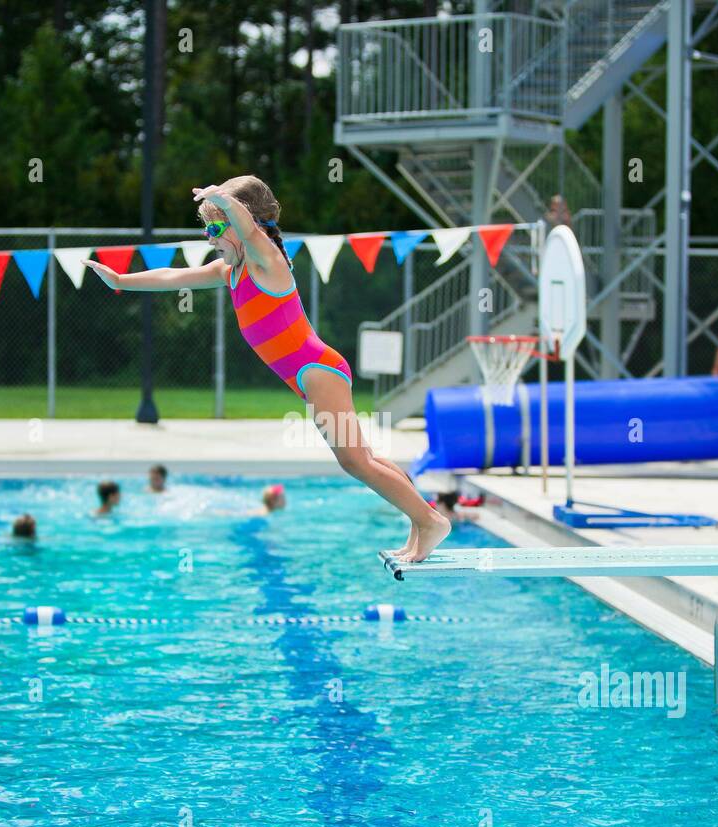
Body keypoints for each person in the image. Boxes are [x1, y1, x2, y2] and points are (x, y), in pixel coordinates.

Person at [83, 175, 450, 561]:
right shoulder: (231, 272)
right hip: (311, 376)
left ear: (245, 222)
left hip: (317, 370)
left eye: (217, 226)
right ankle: (421, 519)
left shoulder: (268, 262)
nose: (210, 236)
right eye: (206, 227)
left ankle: (428, 521)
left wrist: (224, 201)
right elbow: (174, 276)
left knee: (355, 462)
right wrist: (122, 280)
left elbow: (248, 229)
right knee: (365, 459)